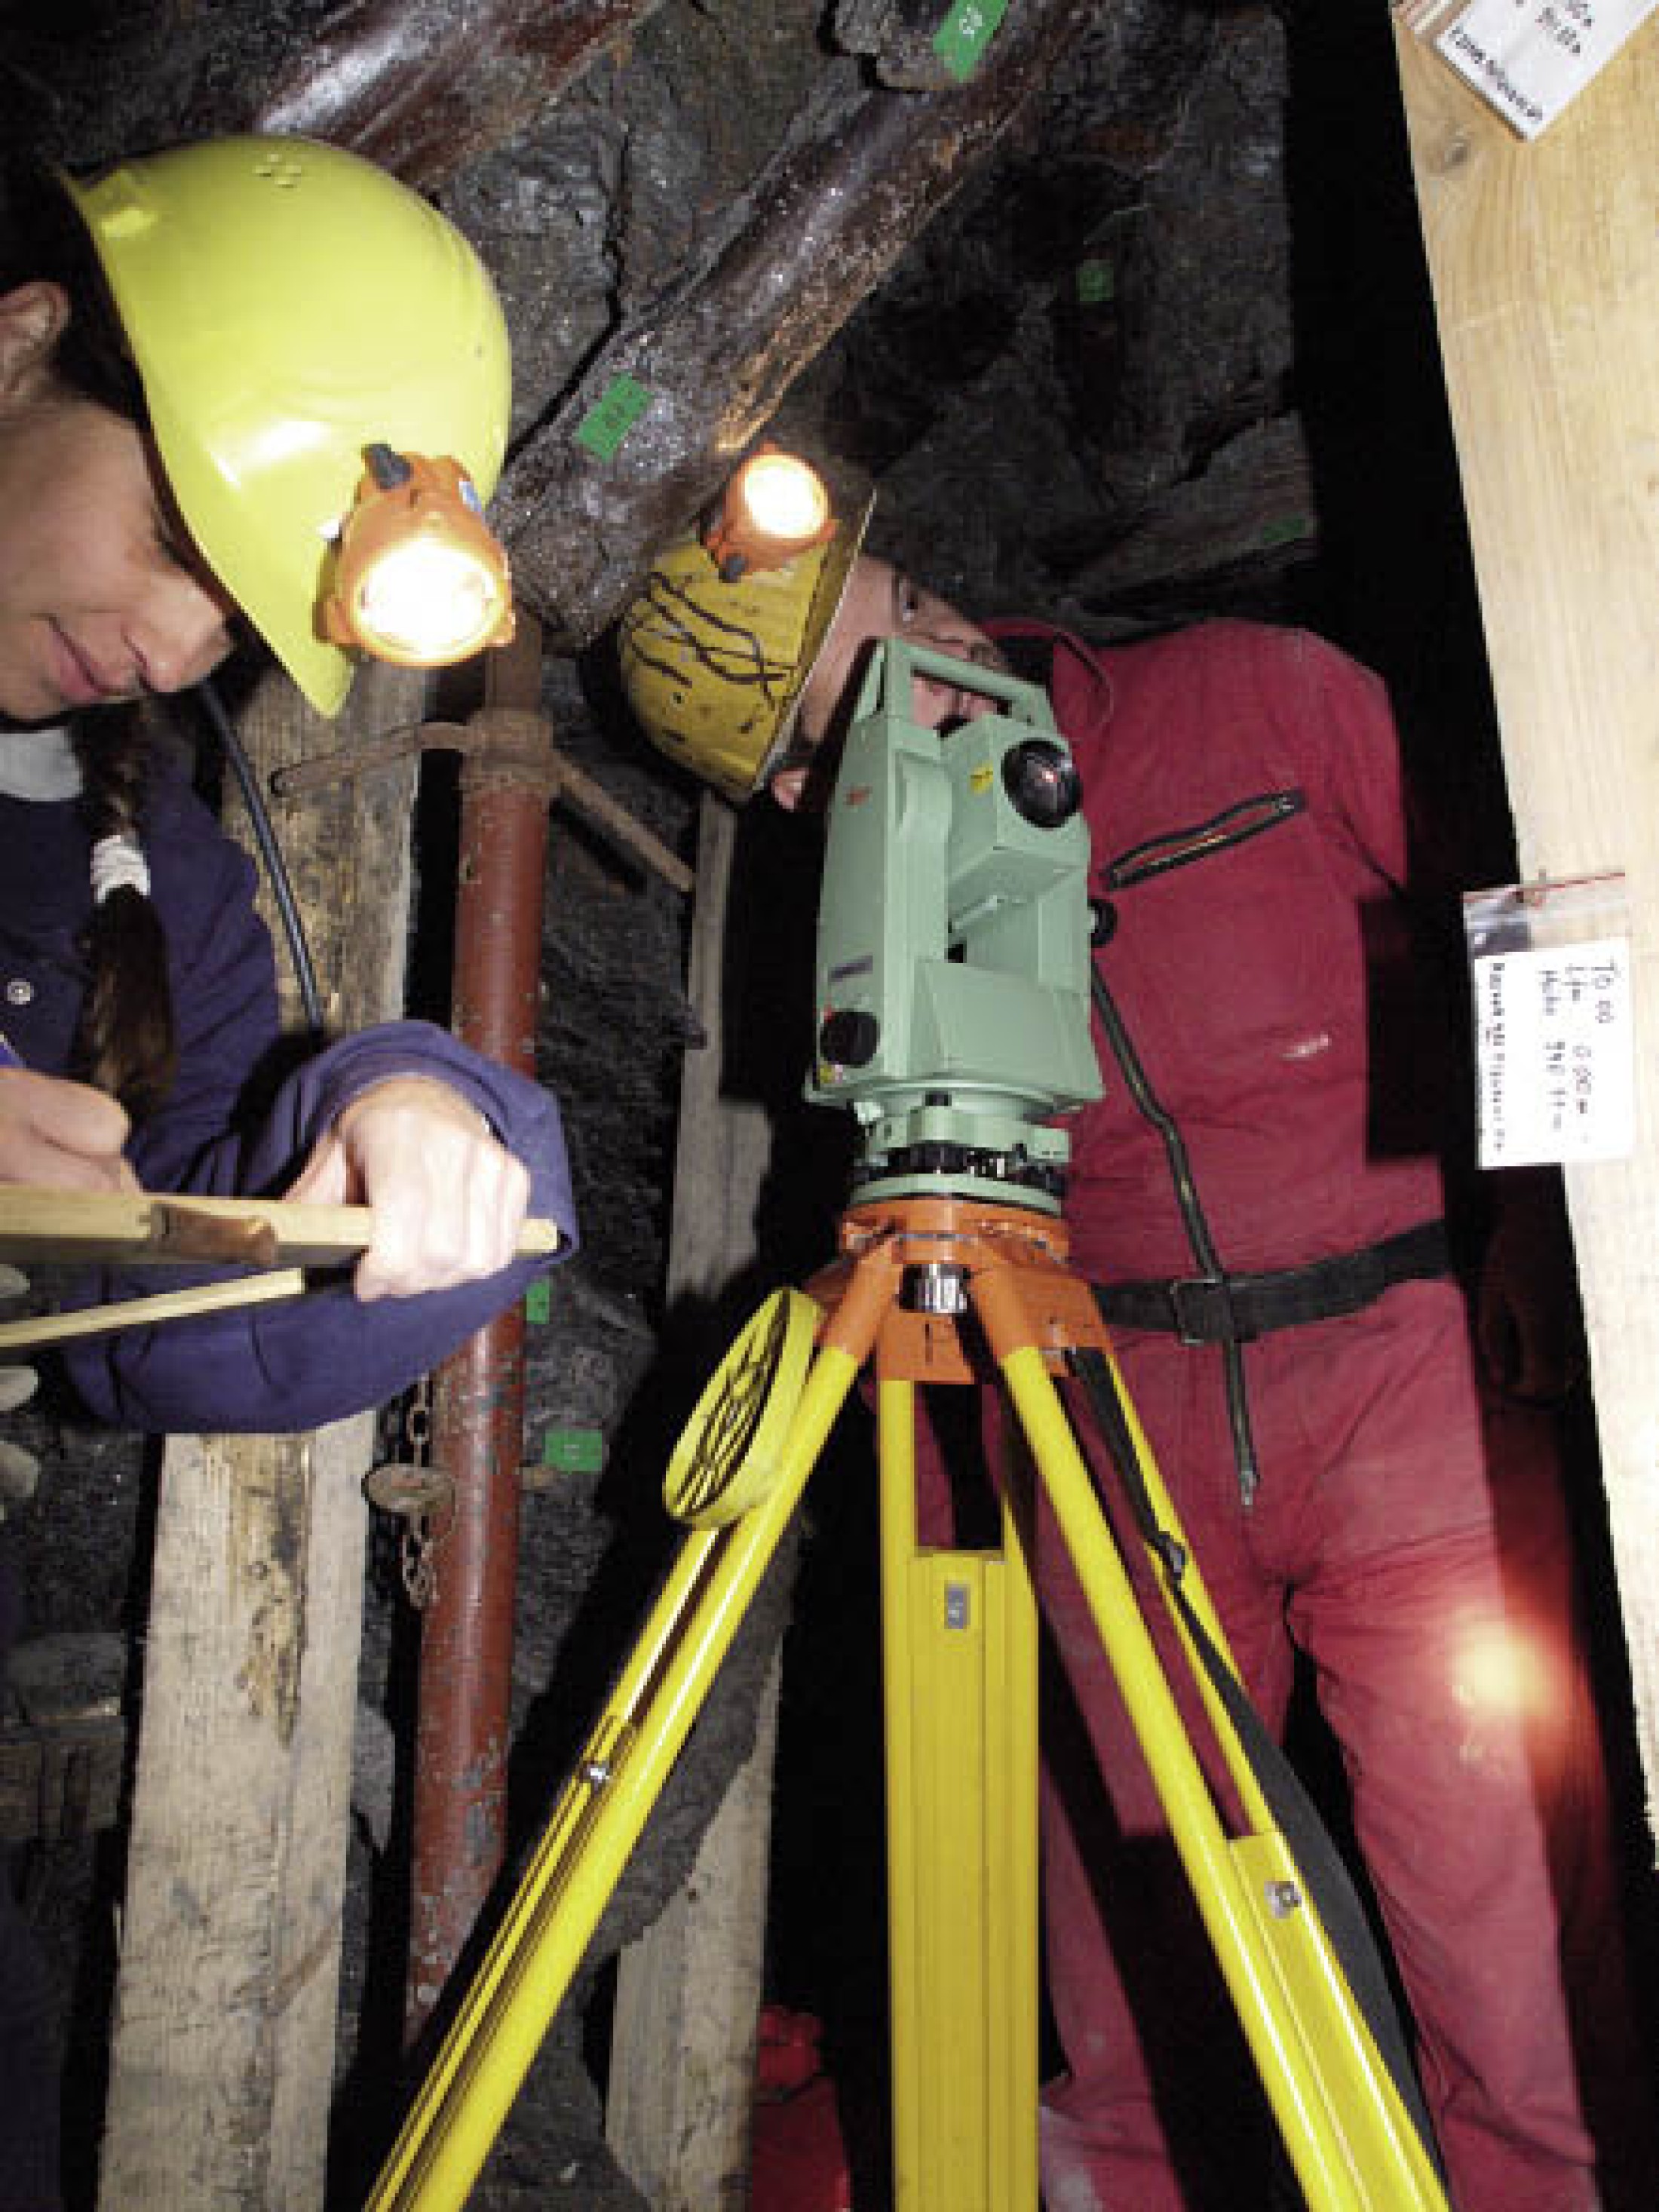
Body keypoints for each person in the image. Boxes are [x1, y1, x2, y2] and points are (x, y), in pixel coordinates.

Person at [619, 521, 1654, 2208]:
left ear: (920, 587)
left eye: (877, 660)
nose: (869, 750)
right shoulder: (880, 882)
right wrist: (960, 1506)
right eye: (808, 758)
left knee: (1510, 1947)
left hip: (1405, 1382)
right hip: (1111, 1418)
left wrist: (1554, 1223)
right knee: (1129, 1972)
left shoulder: (1256, 699)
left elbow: (1527, 903)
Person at [0, 134, 578, 2211]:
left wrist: (433, 1121)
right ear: (25, 342)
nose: (166, 641)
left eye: (226, 603)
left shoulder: (136, 862)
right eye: (171, 535)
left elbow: (184, 1321)